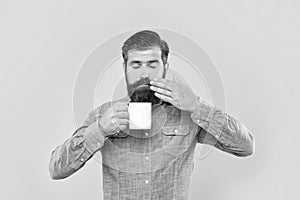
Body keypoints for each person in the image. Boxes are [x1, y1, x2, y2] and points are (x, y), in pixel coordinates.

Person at [49, 30, 254, 200]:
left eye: (152, 64)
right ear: (125, 68)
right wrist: (99, 130)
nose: (144, 73)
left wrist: (198, 106)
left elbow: (245, 146)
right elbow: (56, 169)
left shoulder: (189, 115)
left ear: (165, 66)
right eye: (136, 65)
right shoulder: (105, 115)